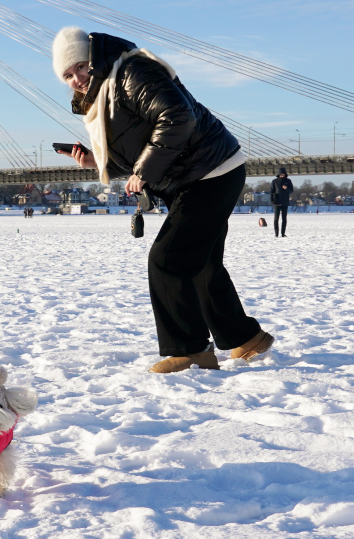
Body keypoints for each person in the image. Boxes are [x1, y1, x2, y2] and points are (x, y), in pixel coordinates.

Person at [52, 27, 273, 373]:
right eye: (68, 75)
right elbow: (141, 148)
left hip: (210, 172)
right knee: (200, 263)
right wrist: (99, 161)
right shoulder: (105, 94)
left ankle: (191, 350)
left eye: (80, 67)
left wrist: (144, 171)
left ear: (93, 60)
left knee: (168, 259)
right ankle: (247, 338)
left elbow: (177, 117)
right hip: (198, 175)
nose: (77, 79)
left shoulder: (131, 72)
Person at [270, 168, 294, 238]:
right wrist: (272, 200)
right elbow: (271, 191)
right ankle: (276, 234)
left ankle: (283, 233)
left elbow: (291, 190)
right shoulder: (274, 181)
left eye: (283, 174)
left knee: (284, 219)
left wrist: (286, 188)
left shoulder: (288, 181)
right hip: (277, 202)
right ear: (278, 174)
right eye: (281, 174)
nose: (282, 175)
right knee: (276, 218)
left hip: (285, 202)